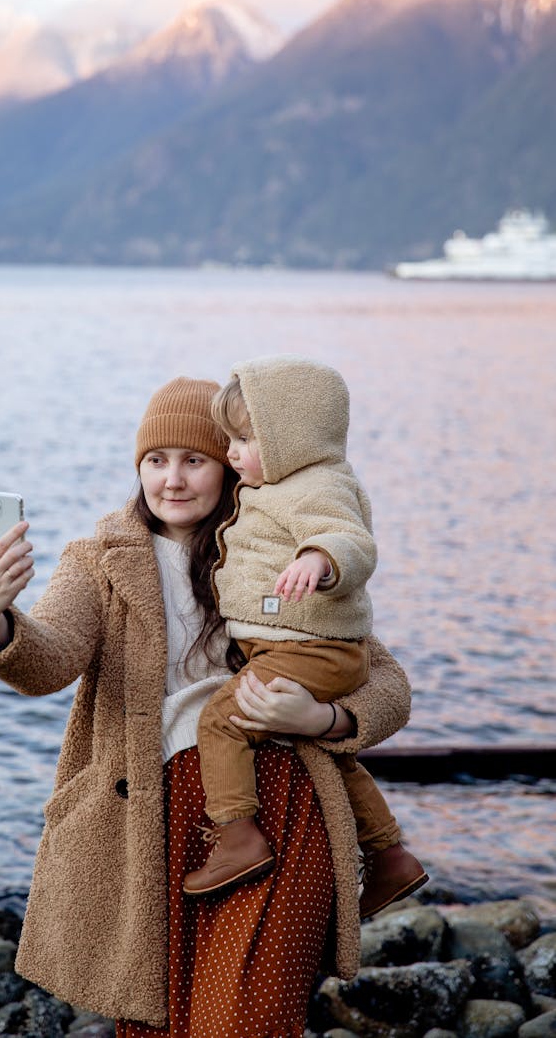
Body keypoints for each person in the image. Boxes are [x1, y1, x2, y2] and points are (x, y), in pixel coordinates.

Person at [0, 375, 413, 1038]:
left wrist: (322, 720)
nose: (171, 479)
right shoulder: (100, 561)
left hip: (281, 809)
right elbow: (48, 659)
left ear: (227, 465)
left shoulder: (278, 552)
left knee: (249, 1022)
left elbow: (388, 682)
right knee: (160, 1025)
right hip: (149, 825)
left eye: (193, 459)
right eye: (155, 459)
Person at [182, 356, 427, 921]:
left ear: (293, 438)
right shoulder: (279, 485)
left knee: (221, 721)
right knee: (321, 752)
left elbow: (351, 540)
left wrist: (321, 558)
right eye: (228, 440)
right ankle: (389, 856)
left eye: (245, 439)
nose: (232, 453)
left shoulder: (316, 485)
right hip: (296, 647)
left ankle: (237, 837)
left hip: (309, 649)